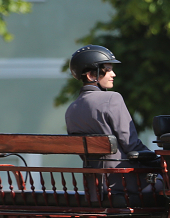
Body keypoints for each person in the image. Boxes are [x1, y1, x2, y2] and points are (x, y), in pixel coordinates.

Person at [65, 44, 162, 194]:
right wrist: (161, 162)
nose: (113, 74)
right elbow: (132, 145)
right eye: (108, 70)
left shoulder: (71, 109)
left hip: (94, 189)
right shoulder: (112, 98)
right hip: (124, 183)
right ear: (91, 75)